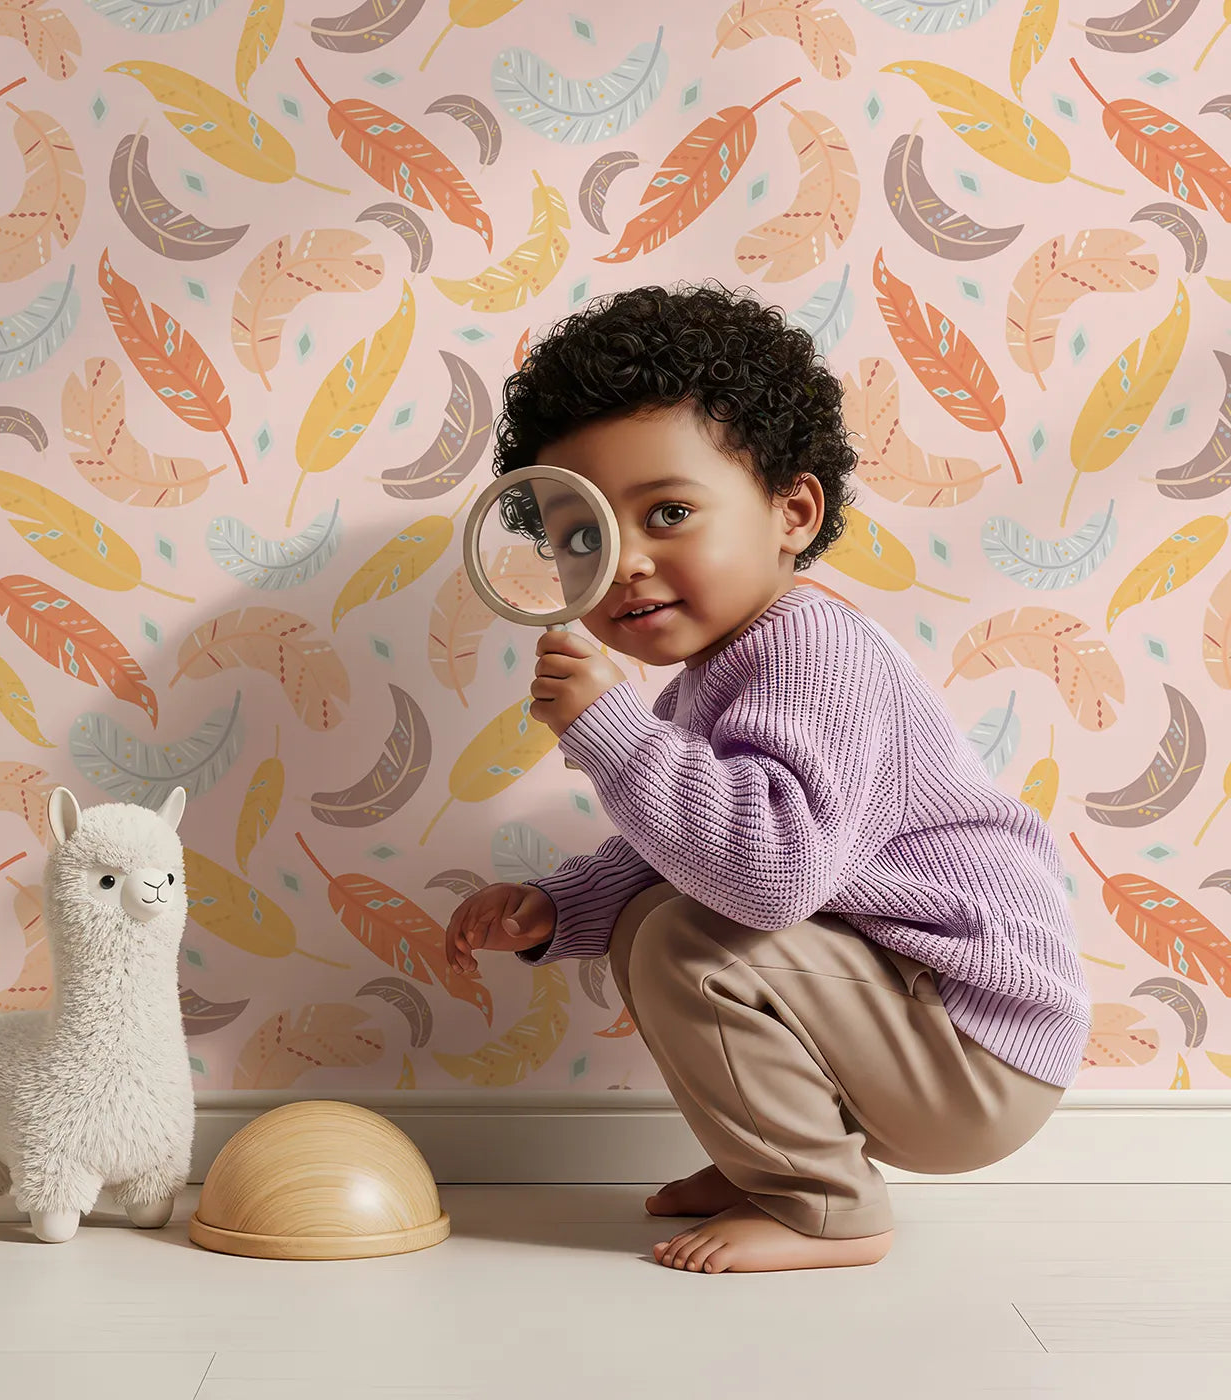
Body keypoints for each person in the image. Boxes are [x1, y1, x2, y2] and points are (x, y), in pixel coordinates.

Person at [442, 282, 1091, 1276]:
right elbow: (674, 851)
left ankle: (823, 1204)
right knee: (655, 912)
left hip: (976, 1041)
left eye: (666, 510)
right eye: (582, 535)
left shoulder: (814, 653)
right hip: (912, 1017)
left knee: (684, 945)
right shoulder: (729, 669)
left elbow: (766, 875)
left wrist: (609, 728)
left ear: (791, 509)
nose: (621, 563)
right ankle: (773, 1159)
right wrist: (553, 905)